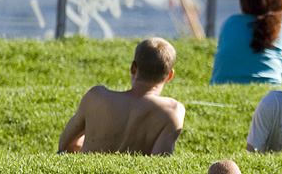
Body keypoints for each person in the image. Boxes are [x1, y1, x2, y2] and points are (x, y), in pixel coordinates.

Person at [58, 37, 186, 155]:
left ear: (133, 68)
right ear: (170, 75)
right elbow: (159, 162)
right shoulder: (172, 111)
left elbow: (65, 145)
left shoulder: (96, 97)